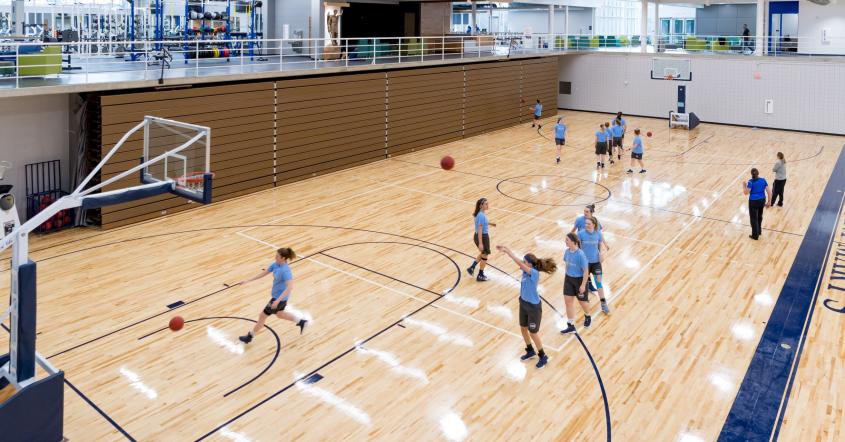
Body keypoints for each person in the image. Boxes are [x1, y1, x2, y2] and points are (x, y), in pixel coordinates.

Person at [496, 245, 557, 369]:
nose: (522, 263)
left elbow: (518, 262)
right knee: (523, 328)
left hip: (533, 307)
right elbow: (520, 263)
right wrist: (507, 250)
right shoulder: (525, 270)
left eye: (524, 262)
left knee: (533, 332)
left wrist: (508, 252)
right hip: (523, 303)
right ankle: (530, 350)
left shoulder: (534, 273)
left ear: (529, 264)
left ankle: (543, 356)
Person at [239, 247, 308, 344]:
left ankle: (250, 337)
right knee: (280, 314)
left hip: (279, 298)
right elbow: (264, 273)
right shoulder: (275, 264)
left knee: (262, 316)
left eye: (277, 256)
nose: (275, 257)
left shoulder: (285, 271)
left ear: (283, 258)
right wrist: (248, 280)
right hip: (279, 298)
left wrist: (277, 300)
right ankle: (301, 321)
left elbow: (290, 287)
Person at [561, 232, 592, 334]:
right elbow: (566, 264)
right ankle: (570, 325)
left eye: (567, 240)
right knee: (568, 301)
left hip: (579, 280)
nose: (565, 242)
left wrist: (583, 285)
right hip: (569, 279)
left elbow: (586, 271)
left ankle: (587, 315)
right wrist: (567, 274)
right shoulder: (567, 252)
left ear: (573, 242)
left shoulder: (580, 255)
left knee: (582, 302)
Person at [578, 217, 611, 314]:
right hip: (585, 263)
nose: (586, 225)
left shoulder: (598, 234)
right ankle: (585, 300)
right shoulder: (580, 234)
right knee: (584, 283)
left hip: (596, 263)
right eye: (586, 224)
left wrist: (601, 254)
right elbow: (578, 248)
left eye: (588, 224)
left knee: (599, 283)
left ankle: (603, 303)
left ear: (594, 225)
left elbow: (599, 245)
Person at [467, 198, 496, 281]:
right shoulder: (481, 215)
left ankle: (472, 268)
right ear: (481, 205)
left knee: (483, 253)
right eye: (486, 204)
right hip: (482, 237)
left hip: (478, 236)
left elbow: (482, 223)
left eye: (487, 203)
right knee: (485, 256)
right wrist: (480, 243)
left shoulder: (479, 214)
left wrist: (490, 223)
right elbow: (480, 229)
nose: (488, 205)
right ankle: (480, 275)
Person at [743, 168, 771, 240]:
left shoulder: (750, 182)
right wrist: (769, 201)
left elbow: (746, 193)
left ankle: (755, 235)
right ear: (758, 173)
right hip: (762, 200)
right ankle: (759, 231)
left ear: (751, 174)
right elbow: (769, 192)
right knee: (759, 216)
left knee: (753, 218)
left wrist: (744, 186)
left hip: (753, 202)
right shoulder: (763, 180)